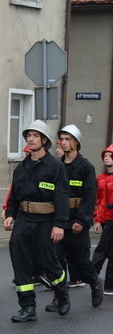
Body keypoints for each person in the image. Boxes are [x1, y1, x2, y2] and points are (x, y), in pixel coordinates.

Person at [4, 120, 69, 323]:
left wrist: (60, 224)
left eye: (34, 135)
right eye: (28, 135)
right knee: (20, 262)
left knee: (47, 261)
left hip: (45, 221)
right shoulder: (21, 167)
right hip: (24, 219)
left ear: (44, 140)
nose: (30, 139)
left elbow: (61, 196)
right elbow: (15, 195)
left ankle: (62, 292)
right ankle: (27, 307)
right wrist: (10, 214)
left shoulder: (55, 167)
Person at [47, 125, 103, 310]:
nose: (63, 142)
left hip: (77, 220)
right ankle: (59, 295)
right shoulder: (57, 165)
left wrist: (81, 219)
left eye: (67, 139)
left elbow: (89, 196)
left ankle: (94, 282)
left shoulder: (85, 167)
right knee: (56, 259)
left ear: (76, 142)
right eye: (61, 139)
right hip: (59, 221)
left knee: (80, 261)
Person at [93, 144, 113, 294]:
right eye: (105, 156)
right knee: (101, 250)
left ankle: (109, 285)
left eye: (109, 155)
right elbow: (100, 201)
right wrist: (98, 220)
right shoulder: (101, 178)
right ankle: (91, 276)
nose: (106, 158)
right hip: (108, 219)